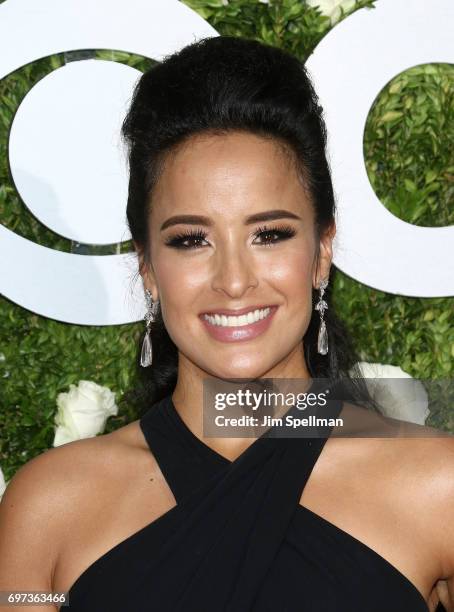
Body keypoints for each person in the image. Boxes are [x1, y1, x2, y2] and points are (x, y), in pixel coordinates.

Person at [0, 36, 453, 612]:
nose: (233, 280)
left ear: (320, 253)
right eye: (191, 240)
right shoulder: (49, 505)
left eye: (270, 234)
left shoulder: (439, 485)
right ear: (148, 268)